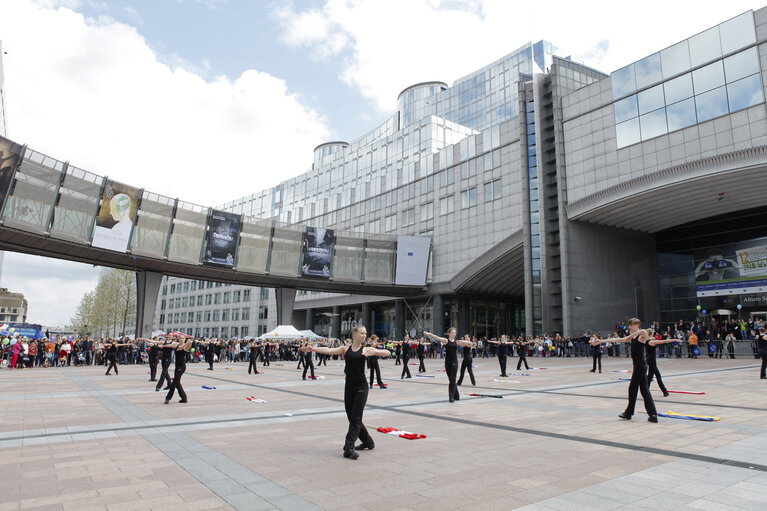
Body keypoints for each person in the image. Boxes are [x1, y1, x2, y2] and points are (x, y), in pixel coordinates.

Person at [301, 325, 391, 460]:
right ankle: (368, 442)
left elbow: (387, 353)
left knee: (355, 418)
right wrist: (313, 348)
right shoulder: (346, 348)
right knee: (352, 417)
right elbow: (329, 350)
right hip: (349, 387)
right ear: (354, 334)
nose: (364, 335)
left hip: (361, 387)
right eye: (361, 333)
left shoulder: (366, 349)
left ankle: (349, 447)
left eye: (365, 333)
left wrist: (375, 353)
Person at [591, 319, 660, 422]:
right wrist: (600, 341)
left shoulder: (641, 336)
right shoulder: (632, 338)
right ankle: (653, 415)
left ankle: (629, 413)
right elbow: (616, 340)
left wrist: (633, 334)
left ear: (637, 325)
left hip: (640, 366)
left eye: (632, 325)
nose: (630, 327)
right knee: (645, 391)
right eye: (629, 326)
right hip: (639, 366)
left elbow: (644, 332)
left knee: (633, 389)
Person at [424, 328, 473, 402]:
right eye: (452, 333)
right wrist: (429, 334)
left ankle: (451, 397)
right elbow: (437, 337)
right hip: (447, 363)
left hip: (454, 362)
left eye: (455, 333)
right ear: (449, 333)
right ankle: (457, 395)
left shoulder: (457, 342)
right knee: (451, 379)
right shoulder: (446, 341)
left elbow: (469, 344)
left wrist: (467, 342)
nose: (454, 334)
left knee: (453, 379)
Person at [165, 335, 193, 404]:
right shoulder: (176, 345)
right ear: (178, 339)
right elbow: (169, 345)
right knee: (177, 383)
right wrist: (163, 346)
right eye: (180, 338)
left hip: (182, 367)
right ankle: (184, 398)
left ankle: (168, 397)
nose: (181, 339)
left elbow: (190, 342)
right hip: (177, 366)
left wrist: (183, 346)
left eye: (183, 338)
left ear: (184, 339)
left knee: (174, 382)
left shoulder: (185, 346)